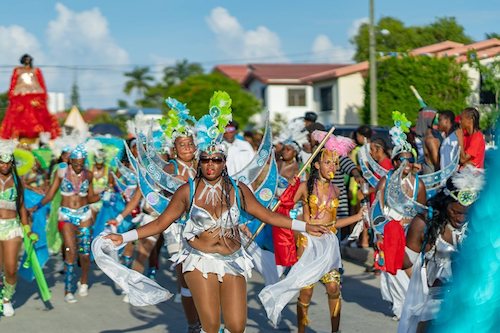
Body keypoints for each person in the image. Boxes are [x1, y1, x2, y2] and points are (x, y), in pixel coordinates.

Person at [105, 91, 328, 333]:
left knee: (236, 326)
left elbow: (268, 215)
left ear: (224, 162)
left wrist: (305, 226)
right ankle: (194, 324)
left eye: (216, 160)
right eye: (206, 160)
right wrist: (124, 237)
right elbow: (160, 224)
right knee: (210, 327)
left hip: (233, 260)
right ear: (200, 163)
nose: (211, 164)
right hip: (199, 262)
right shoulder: (186, 191)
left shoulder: (238, 189)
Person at [292, 134, 366, 333]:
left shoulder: (336, 190)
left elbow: (334, 223)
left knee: (333, 288)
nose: (332, 167)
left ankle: (335, 331)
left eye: (335, 163)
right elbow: (284, 209)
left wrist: (358, 216)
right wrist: (290, 188)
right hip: (308, 244)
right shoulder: (304, 187)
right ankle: (301, 330)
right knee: (306, 293)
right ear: (316, 165)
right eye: (327, 162)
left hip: (328, 244)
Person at [398, 166, 483, 332]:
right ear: (445, 203)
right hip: (434, 301)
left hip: (469, 300)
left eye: (466, 214)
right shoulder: (424, 224)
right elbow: (406, 263)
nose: (460, 218)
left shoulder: (479, 227)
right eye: (456, 211)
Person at [374, 112, 427, 320]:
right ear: (395, 162)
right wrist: (381, 232)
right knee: (393, 272)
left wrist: (412, 223)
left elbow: (423, 211)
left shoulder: (418, 184)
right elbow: (377, 210)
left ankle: (413, 304)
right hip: (390, 232)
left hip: (410, 234)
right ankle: (401, 307)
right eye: (401, 160)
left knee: (412, 271)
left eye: (409, 160)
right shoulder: (385, 182)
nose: (405, 164)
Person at [32, 143, 99, 303]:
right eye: (75, 163)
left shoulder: (88, 175)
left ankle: (83, 281)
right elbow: (50, 194)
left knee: (84, 253)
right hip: (66, 215)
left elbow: (90, 197)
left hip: (84, 215)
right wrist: (37, 206)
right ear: (71, 161)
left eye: (81, 163)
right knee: (70, 250)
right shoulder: (61, 173)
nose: (78, 166)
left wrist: (102, 195)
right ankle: (68, 289)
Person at [0, 140, 31, 316]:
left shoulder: (18, 181)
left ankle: (7, 299)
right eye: (1, 161)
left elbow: (21, 207)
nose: (5, 165)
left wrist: (27, 229)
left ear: (12, 162)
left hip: (12, 228)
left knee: (11, 268)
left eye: (7, 161)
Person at [0, 54, 60, 140]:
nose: (27, 61)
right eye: (25, 59)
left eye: (28, 59)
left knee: (39, 118)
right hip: (20, 96)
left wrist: (43, 96)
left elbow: (41, 83)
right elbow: (13, 83)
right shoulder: (17, 70)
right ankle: (17, 136)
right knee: (17, 118)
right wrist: (12, 95)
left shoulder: (36, 70)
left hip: (35, 96)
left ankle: (41, 138)